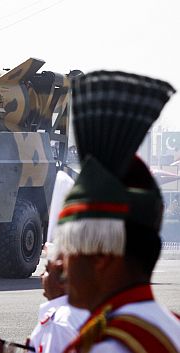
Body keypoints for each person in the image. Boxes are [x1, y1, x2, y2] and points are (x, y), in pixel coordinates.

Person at [53, 71, 180, 353]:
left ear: (101, 256)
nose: (62, 266)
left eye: (70, 249)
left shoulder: (109, 347)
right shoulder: (170, 328)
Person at [0, 251, 88, 353]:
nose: (41, 276)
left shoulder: (59, 324)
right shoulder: (70, 315)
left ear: (63, 280)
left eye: (47, 270)